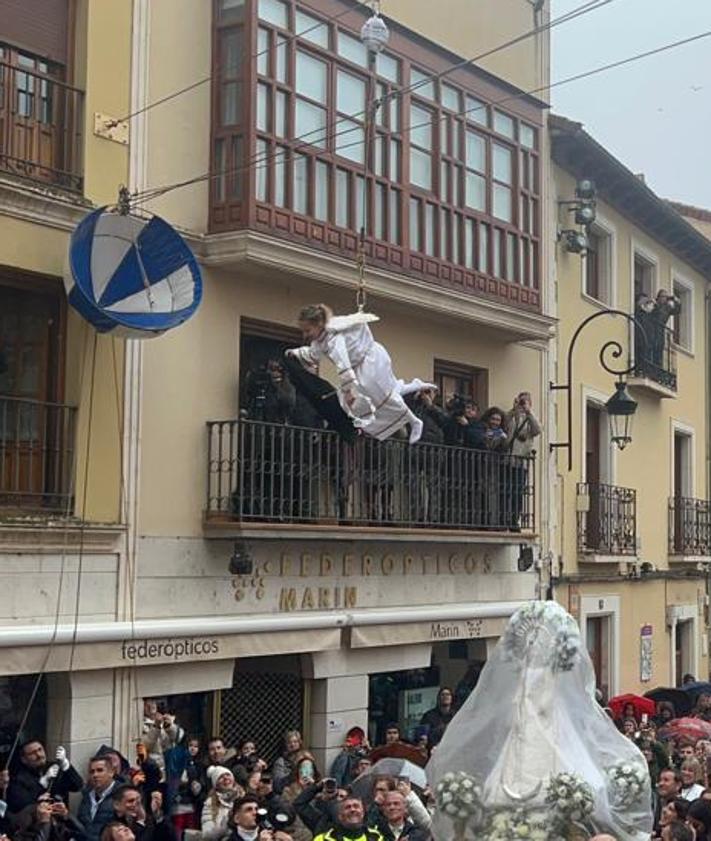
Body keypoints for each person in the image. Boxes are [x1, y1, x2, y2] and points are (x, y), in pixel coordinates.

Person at [288, 305, 433, 444]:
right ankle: (415, 386)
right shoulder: (321, 340)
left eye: (308, 330)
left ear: (319, 324)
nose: (305, 335)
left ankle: (414, 421)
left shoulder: (333, 339)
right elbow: (313, 354)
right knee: (380, 393)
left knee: (381, 395)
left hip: (370, 361)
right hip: (361, 366)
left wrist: (349, 391)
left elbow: (343, 366)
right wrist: (295, 352)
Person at [7, 741, 83, 813]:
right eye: (32, 753)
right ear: (24, 759)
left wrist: (65, 764)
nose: (39, 755)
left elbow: (77, 786)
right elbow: (21, 806)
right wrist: (42, 782)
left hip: (61, 818)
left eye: (40, 750)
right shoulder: (18, 778)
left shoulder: (54, 767)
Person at [77, 756, 119, 841]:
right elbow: (81, 826)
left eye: (100, 770)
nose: (95, 775)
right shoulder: (87, 796)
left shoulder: (121, 794)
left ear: (111, 772)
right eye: (92, 772)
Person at [14, 793, 84, 841]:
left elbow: (82, 834)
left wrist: (66, 815)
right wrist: (40, 824)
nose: (48, 805)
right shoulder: (26, 816)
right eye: (44, 801)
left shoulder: (55, 820)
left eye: (50, 801)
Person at [313, 795, 384, 841]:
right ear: (340, 816)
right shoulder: (323, 839)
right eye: (347, 807)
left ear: (363, 813)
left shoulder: (377, 837)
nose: (352, 810)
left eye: (356, 806)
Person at [201, 766, 242, 841]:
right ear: (216, 785)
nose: (226, 778)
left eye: (228, 774)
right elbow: (206, 835)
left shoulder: (244, 797)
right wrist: (225, 825)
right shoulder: (210, 803)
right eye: (220, 777)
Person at [654, 769, 683, 835]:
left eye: (666, 780)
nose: (661, 784)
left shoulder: (684, 807)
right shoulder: (654, 803)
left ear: (678, 785)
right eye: (660, 780)